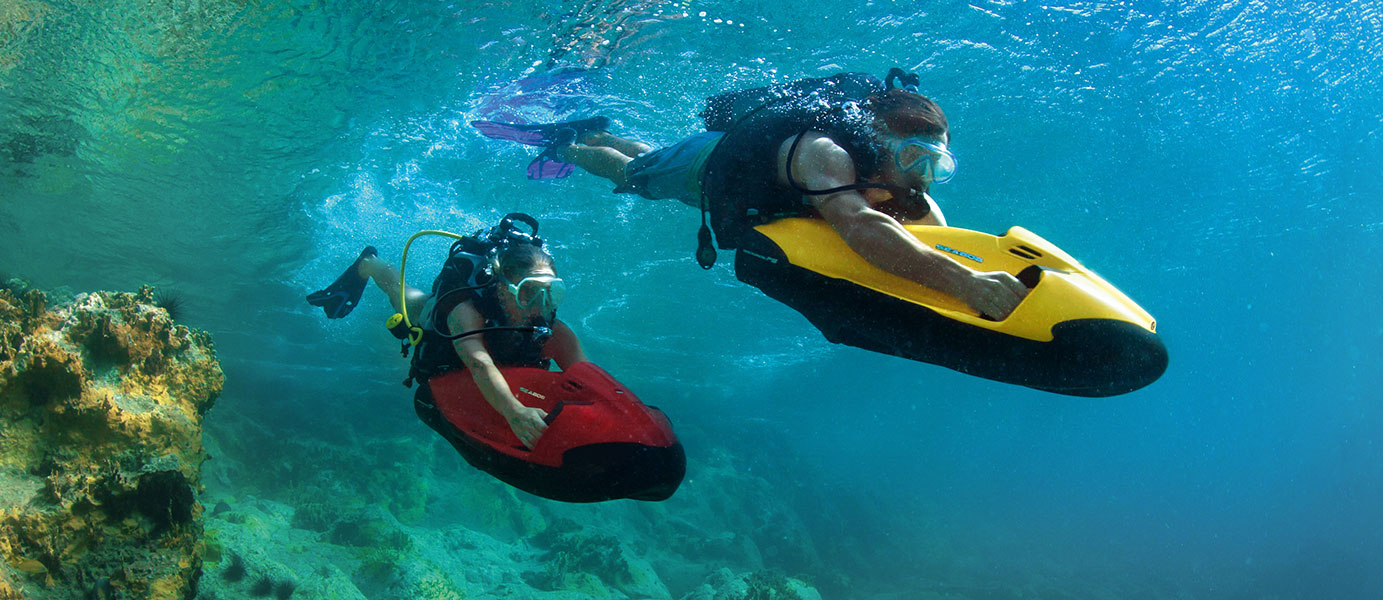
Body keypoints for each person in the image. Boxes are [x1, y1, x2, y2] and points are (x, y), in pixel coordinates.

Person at [473, 70, 1029, 321]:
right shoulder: (828, 156)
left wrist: (960, 256)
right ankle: (572, 144)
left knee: (650, 157)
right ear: (878, 141)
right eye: (914, 159)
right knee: (635, 178)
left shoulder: (885, 165)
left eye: (937, 163)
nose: (924, 174)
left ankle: (601, 130)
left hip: (715, 155)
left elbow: (921, 213)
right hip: (704, 167)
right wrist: (965, 282)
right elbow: (862, 227)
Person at [306, 227, 585, 449]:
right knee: (401, 294)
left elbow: (586, 375)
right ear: (503, 289)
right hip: (433, 319)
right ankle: (370, 263)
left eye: (552, 293)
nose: (541, 304)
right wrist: (514, 412)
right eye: (529, 292)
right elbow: (479, 363)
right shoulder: (465, 312)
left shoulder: (552, 329)